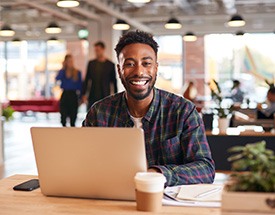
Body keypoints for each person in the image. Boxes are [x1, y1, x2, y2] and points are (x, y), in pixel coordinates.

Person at [83, 31, 215, 186]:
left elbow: (205, 169)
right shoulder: (99, 113)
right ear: (119, 70)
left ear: (156, 68)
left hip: (166, 205)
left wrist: (157, 174)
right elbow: (83, 162)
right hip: (111, 200)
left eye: (146, 63)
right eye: (130, 64)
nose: (139, 72)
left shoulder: (183, 111)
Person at [82, 41, 118, 109]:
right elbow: (87, 79)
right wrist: (84, 94)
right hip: (93, 94)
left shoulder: (110, 64)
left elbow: (114, 81)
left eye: (98, 50)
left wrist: (116, 96)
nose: (96, 52)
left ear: (103, 49)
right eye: (95, 50)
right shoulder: (91, 64)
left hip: (105, 94)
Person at [56, 54, 82, 127]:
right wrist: (63, 68)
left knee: (73, 118)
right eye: (68, 61)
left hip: (73, 96)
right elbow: (57, 78)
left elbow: (80, 86)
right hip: (65, 95)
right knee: (63, 118)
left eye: (71, 61)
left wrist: (80, 98)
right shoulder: (63, 72)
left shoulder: (77, 72)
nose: (70, 63)